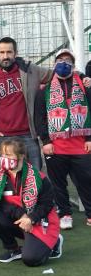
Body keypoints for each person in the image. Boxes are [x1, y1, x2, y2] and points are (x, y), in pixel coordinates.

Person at [34, 48, 91, 230]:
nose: (63, 64)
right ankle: (65, 213)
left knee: (86, 180)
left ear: (73, 65)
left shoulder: (84, 85)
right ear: (54, 64)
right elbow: (40, 117)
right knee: (58, 183)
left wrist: (90, 138)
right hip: (56, 146)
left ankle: (90, 213)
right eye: (59, 60)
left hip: (81, 145)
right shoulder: (44, 90)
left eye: (67, 60)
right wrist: (46, 141)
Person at [0, 138, 63, 266]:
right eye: (3, 155)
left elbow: (47, 205)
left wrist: (30, 218)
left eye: (8, 155)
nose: (4, 158)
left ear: (21, 156)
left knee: (31, 259)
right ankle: (13, 249)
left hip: (40, 222)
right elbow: (1, 204)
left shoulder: (39, 178)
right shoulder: (0, 177)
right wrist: (21, 214)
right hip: (19, 219)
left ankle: (54, 241)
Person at [0, 36, 49, 170]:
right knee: (9, 178)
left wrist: (81, 77)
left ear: (16, 53)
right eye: (2, 52)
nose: (5, 56)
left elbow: (54, 75)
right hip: (4, 136)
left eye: (9, 52)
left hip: (28, 134)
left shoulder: (31, 70)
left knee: (35, 175)